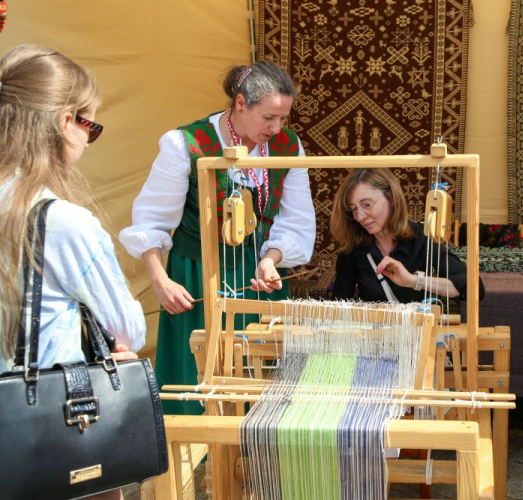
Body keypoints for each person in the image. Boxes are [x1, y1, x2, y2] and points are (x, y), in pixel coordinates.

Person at [119, 61, 315, 414]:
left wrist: (271, 261)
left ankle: (256, 461)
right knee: (198, 378)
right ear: (240, 103)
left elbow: (296, 218)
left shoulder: (288, 146)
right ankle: (197, 462)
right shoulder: (186, 144)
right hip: (197, 276)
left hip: (260, 277)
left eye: (283, 118)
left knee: (261, 376)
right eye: (269, 117)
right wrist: (159, 280)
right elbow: (152, 221)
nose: (277, 127)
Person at [0, 45, 146, 500]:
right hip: (45, 427)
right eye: (92, 126)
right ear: (67, 122)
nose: (88, 138)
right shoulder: (61, 223)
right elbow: (129, 330)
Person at [330, 168, 483, 303]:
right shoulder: (353, 248)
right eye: (354, 209)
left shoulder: (422, 238)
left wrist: (413, 281)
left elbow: (474, 289)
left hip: (418, 334)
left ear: (392, 198)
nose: (359, 216)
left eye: (367, 205)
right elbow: (339, 305)